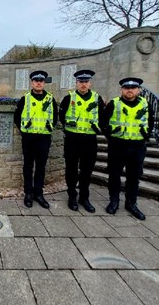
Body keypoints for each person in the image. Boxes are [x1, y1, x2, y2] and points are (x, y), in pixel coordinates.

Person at [102, 77, 153, 220]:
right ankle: (114, 201)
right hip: (117, 145)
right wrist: (111, 137)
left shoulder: (145, 104)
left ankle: (131, 203)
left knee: (134, 177)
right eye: (126, 88)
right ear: (122, 90)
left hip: (137, 146)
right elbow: (103, 122)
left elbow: (151, 122)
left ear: (138, 90)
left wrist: (146, 136)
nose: (129, 90)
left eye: (133, 88)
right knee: (114, 175)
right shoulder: (114, 103)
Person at [59, 70, 105, 213]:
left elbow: (103, 118)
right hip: (73, 139)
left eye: (86, 82)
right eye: (81, 82)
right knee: (71, 169)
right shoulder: (68, 98)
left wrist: (98, 128)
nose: (83, 84)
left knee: (87, 170)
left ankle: (84, 198)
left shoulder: (97, 99)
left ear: (90, 83)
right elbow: (61, 116)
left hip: (89, 140)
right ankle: (72, 195)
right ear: (77, 83)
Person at [14, 70, 58, 209]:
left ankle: (39, 193)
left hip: (44, 138)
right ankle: (28, 193)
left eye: (41, 81)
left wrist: (49, 128)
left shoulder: (50, 99)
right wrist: (24, 131)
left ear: (44, 83)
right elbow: (17, 117)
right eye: (36, 80)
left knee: (41, 167)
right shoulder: (25, 99)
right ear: (32, 83)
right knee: (28, 166)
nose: (39, 83)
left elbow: (55, 117)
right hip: (29, 138)